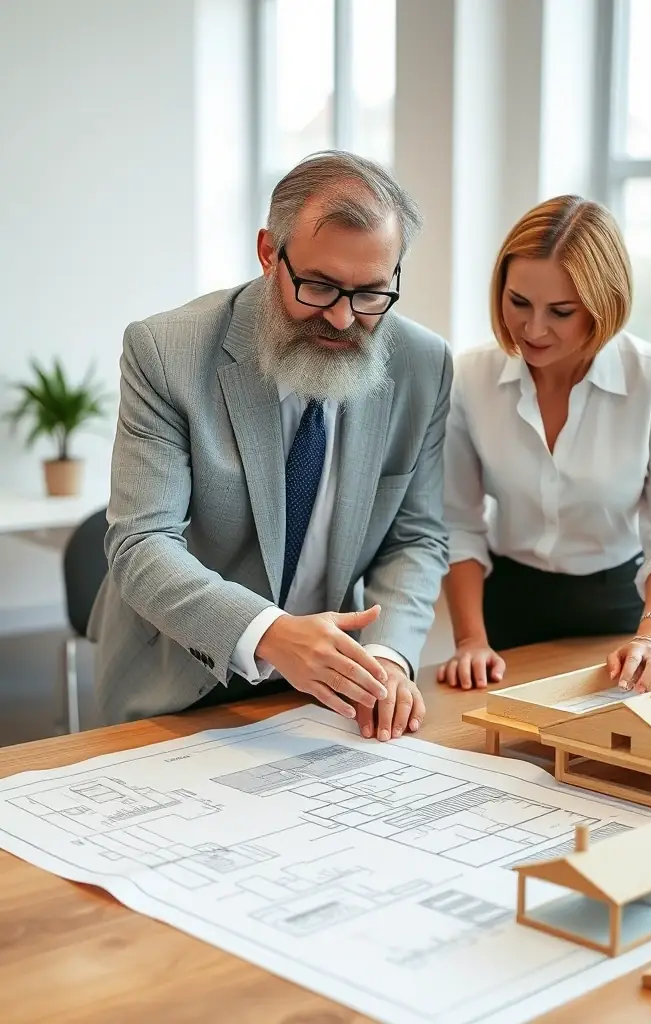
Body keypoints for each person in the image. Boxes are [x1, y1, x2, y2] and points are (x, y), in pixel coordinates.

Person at [88, 150, 452, 740]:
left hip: (330, 694)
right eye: (320, 286)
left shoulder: (423, 364)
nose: (341, 319)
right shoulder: (167, 351)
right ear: (268, 253)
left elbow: (416, 537)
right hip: (177, 687)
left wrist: (385, 660)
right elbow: (140, 544)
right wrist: (272, 633)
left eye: (371, 294)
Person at [437, 194, 651, 695]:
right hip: (505, 606)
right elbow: (457, 521)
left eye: (561, 311)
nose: (533, 329)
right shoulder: (470, 378)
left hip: (618, 612)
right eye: (518, 302)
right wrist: (469, 640)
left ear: (603, 306)